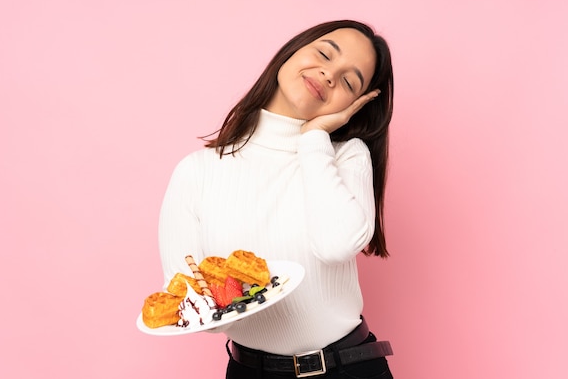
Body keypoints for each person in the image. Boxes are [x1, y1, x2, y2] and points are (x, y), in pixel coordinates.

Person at [158, 19, 395, 378]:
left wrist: (314, 137)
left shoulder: (346, 156)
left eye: (349, 81)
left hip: (348, 368)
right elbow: (195, 307)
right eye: (324, 54)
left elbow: (335, 245)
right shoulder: (197, 172)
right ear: (292, 51)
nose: (329, 75)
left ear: (356, 104)